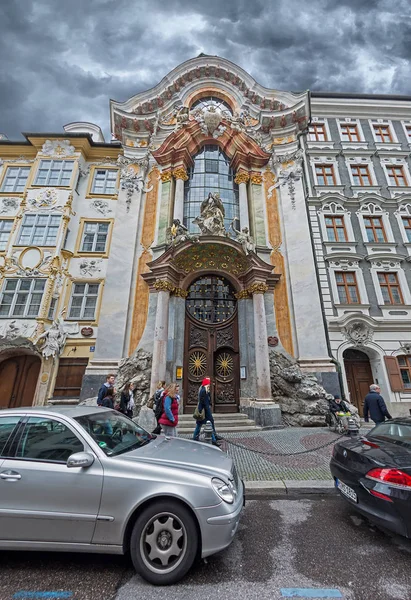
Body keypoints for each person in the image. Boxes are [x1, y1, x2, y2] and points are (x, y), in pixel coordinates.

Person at [193, 377, 221, 446]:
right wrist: (209, 411)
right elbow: (205, 403)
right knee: (207, 423)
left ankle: (213, 438)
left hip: (203, 411)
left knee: (201, 425)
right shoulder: (203, 391)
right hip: (203, 411)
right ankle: (213, 439)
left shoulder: (204, 390)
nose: (210, 384)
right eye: (209, 382)